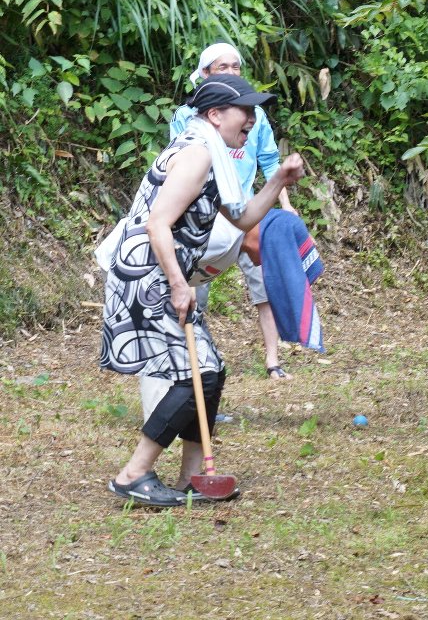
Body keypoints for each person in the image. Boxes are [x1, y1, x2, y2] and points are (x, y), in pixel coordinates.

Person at [102, 74, 305, 507]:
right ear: (215, 115)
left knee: (210, 373)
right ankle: (133, 475)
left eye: (254, 111)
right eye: (244, 111)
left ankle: (193, 477)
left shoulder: (217, 157)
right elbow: (157, 223)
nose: (251, 119)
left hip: (164, 271)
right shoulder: (195, 154)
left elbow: (243, 217)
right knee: (194, 373)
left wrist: (279, 181)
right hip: (147, 273)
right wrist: (179, 285)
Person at [170, 43, 298, 380]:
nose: (230, 72)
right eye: (222, 67)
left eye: (235, 66)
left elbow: (268, 161)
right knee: (193, 290)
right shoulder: (192, 128)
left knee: (263, 283)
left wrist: (285, 201)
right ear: (205, 74)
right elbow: (162, 212)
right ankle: (189, 362)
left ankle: (273, 360)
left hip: (244, 208)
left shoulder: (251, 115)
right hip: (205, 216)